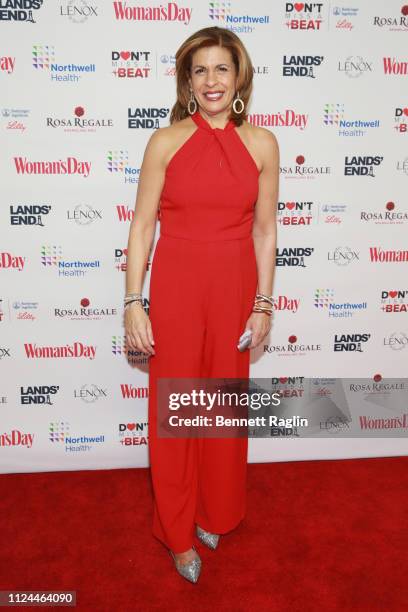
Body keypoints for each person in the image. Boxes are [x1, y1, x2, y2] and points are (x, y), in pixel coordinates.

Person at [124, 26, 279, 584]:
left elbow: (265, 232)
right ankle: (177, 531)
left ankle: (215, 513)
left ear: (239, 78)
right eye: (200, 70)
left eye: (222, 69)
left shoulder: (262, 143)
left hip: (236, 282)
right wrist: (133, 302)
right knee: (176, 413)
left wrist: (263, 304)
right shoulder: (166, 141)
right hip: (178, 285)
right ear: (187, 82)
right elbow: (143, 226)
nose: (212, 80)